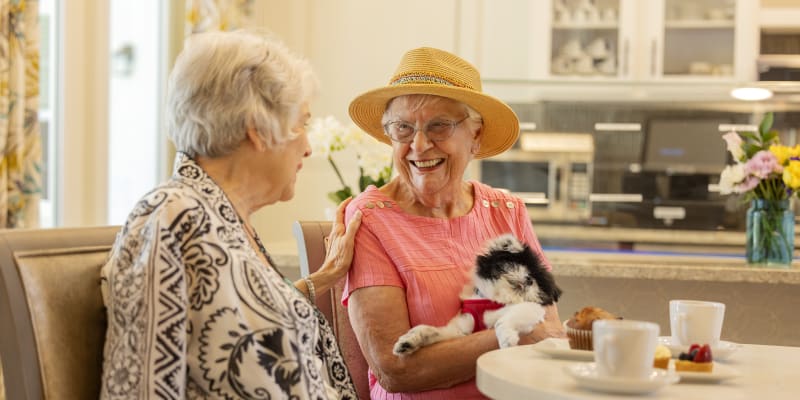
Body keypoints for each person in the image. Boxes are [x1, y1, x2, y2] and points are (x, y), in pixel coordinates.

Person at [99, 29, 362, 399]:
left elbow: (240, 317)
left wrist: (324, 277)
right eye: (300, 123)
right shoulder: (171, 216)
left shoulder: (223, 219)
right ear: (257, 128)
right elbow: (141, 389)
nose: (307, 147)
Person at [342, 47, 566, 398]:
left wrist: (524, 332)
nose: (418, 144)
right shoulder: (371, 219)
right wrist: (510, 335)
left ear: (475, 136)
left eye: (439, 126)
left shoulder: (505, 210)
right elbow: (396, 368)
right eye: (403, 128)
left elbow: (549, 328)